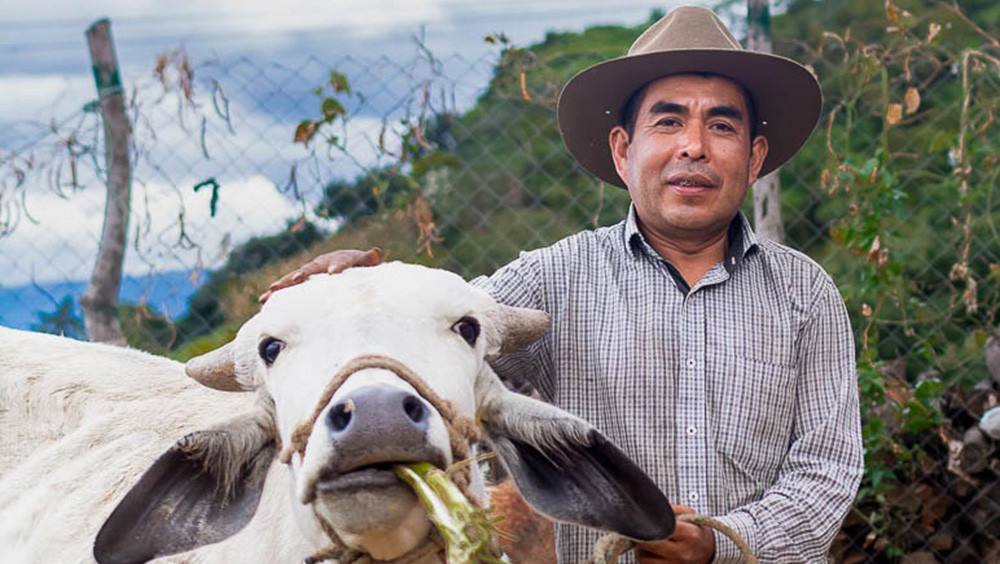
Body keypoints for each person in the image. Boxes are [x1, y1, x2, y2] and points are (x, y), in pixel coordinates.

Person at [263, 6, 863, 563]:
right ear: (623, 151)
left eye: (722, 126)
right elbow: (432, 340)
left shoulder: (803, 294)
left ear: (754, 158)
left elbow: (827, 471)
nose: (694, 146)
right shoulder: (556, 277)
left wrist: (720, 545)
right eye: (669, 121)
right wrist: (354, 291)